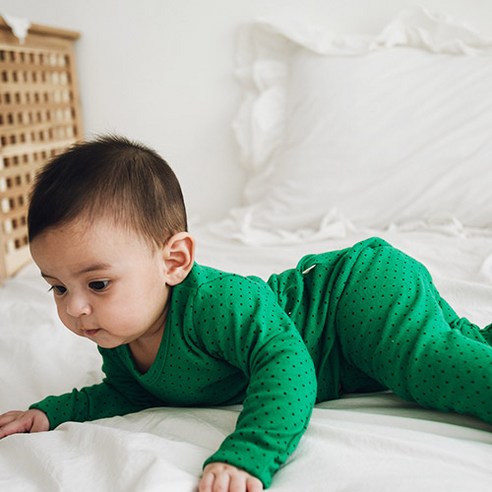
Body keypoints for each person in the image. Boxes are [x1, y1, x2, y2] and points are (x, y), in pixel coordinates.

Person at [0, 136, 491, 492]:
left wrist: (249, 453)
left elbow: (286, 363)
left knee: (426, 365)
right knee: (459, 345)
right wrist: (49, 414)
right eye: (58, 287)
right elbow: (120, 394)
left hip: (352, 298)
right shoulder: (121, 338)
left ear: (174, 261)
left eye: (98, 283)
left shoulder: (217, 304)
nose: (75, 307)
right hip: (354, 350)